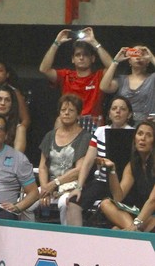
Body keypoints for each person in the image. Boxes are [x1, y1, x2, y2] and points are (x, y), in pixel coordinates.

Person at [65, 96, 135, 226]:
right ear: (109, 113)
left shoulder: (134, 133)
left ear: (129, 114)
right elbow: (87, 162)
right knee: (73, 203)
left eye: (122, 109)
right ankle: (76, 241)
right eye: (114, 108)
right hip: (102, 182)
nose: (118, 111)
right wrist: (79, 187)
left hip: (123, 185)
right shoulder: (100, 131)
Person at [34, 94, 90, 224]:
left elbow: (79, 169)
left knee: (65, 203)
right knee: (26, 201)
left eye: (71, 110)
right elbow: (42, 166)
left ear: (78, 115)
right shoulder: (50, 135)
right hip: (48, 185)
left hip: (71, 185)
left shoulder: (84, 136)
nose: (66, 113)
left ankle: (66, 238)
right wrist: (44, 189)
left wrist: (54, 184)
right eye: (63, 110)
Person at [40, 27, 114, 118]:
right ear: (73, 59)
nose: (81, 58)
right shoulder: (65, 75)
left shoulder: (99, 76)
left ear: (93, 59)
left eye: (85, 54)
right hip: (69, 120)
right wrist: (56, 43)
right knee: (59, 120)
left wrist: (94, 42)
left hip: (93, 123)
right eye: (78, 55)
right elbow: (44, 69)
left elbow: (113, 66)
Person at [99, 120, 155, 232]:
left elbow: (153, 201)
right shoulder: (132, 165)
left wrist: (136, 224)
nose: (143, 138)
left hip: (151, 213)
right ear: (135, 139)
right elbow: (118, 197)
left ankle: (132, 231)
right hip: (142, 215)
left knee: (116, 229)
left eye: (148, 135)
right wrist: (112, 171)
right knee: (106, 203)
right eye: (140, 134)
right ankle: (134, 233)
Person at [100, 45, 155, 122]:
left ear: (148, 61)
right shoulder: (122, 80)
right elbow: (104, 87)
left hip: (146, 125)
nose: (138, 57)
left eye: (142, 54)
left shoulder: (152, 78)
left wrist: (151, 57)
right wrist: (115, 61)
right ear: (129, 60)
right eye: (135, 54)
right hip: (124, 125)